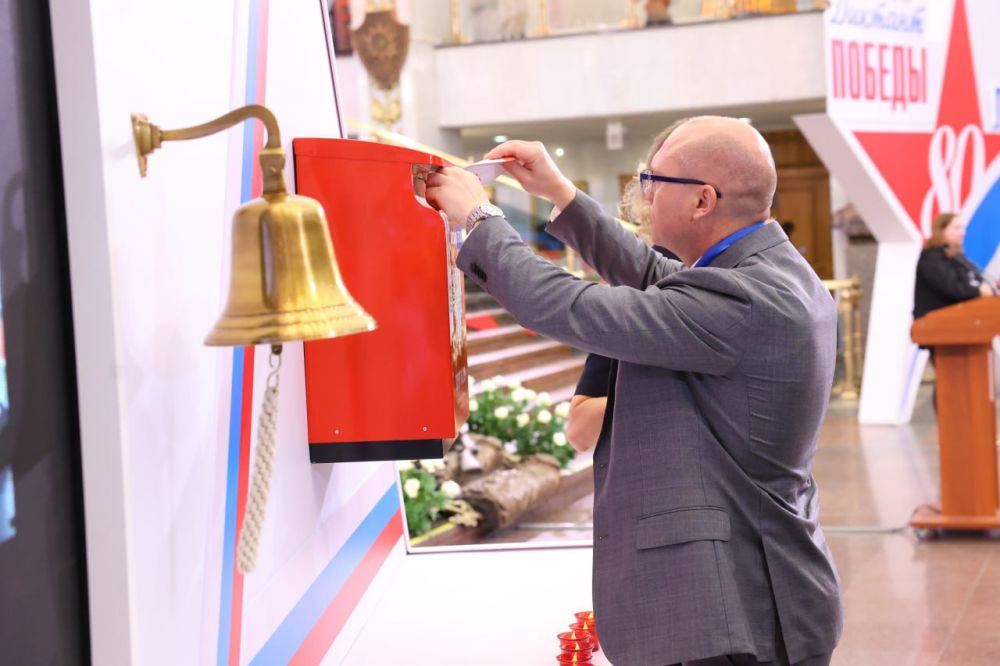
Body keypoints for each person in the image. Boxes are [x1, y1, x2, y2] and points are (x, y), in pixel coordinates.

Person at [425, 116, 842, 666]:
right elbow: (650, 270)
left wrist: (480, 220)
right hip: (740, 597)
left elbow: (568, 306)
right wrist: (559, 193)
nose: (644, 196)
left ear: (702, 200)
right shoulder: (762, 269)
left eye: (654, 181)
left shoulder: (747, 298)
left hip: (734, 613)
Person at [913, 211, 994, 320]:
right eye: (957, 228)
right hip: (935, 322)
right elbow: (951, 288)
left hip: (959, 319)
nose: (963, 233)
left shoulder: (958, 257)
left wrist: (992, 287)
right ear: (941, 230)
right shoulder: (931, 257)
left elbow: (973, 281)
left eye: (963, 228)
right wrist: (978, 291)